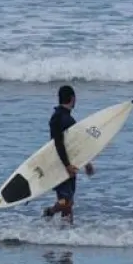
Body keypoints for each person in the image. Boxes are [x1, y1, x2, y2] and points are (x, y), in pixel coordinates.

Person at [42, 85, 94, 224]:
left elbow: (76, 146)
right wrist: (66, 165)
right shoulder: (58, 118)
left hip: (70, 164)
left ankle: (67, 233)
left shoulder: (67, 118)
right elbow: (58, 143)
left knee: (68, 201)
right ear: (72, 98)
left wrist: (86, 162)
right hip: (61, 164)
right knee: (66, 201)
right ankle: (50, 212)